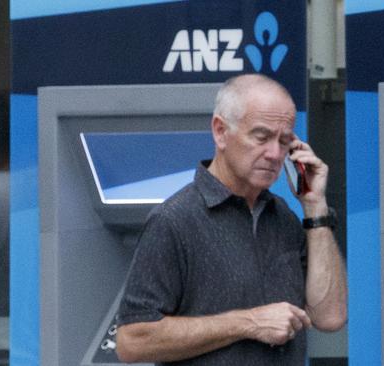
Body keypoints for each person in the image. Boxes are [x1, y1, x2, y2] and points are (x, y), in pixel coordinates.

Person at [115, 74, 347, 365]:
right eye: (261, 137)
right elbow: (132, 341)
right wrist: (248, 323)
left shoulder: (284, 217)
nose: (275, 154)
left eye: (284, 140)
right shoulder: (173, 220)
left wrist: (316, 208)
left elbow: (330, 317)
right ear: (220, 131)